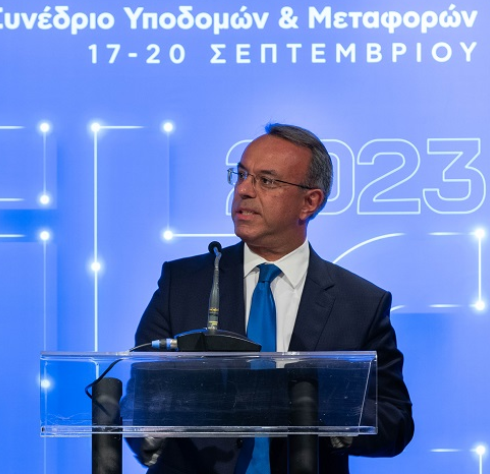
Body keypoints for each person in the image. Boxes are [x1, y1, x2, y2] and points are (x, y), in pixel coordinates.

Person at [132, 123, 414, 473]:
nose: (243, 190)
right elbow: (140, 399)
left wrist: (317, 409)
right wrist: (155, 427)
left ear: (309, 202)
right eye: (241, 175)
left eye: (266, 181)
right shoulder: (183, 283)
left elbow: (394, 420)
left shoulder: (360, 303)